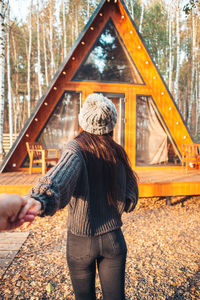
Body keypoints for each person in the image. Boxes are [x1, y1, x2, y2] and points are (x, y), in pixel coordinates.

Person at [18, 93, 139, 300]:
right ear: (111, 125)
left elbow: (58, 178)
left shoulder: (76, 148)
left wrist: (38, 200)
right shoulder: (118, 152)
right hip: (113, 239)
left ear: (83, 120)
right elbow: (130, 199)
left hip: (80, 242)